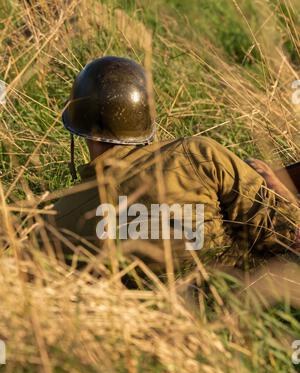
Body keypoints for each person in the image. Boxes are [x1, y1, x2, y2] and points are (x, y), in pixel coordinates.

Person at [36, 56, 300, 273]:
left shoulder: (57, 222)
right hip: (238, 307)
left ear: (79, 129)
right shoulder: (198, 155)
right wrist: (275, 185)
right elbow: (289, 235)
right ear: (146, 120)